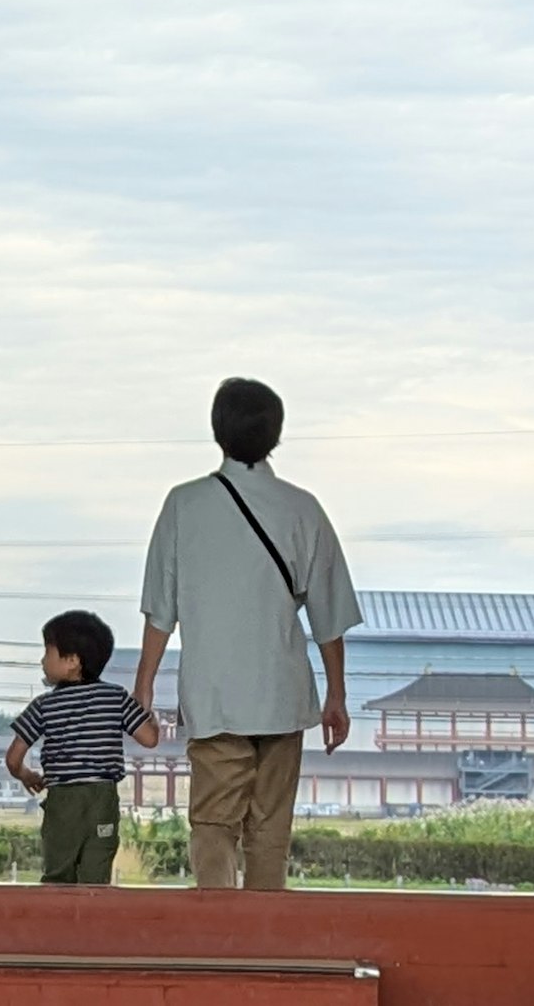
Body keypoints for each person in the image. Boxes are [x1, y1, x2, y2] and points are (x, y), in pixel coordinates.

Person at [130, 376, 360, 890]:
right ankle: (266, 945)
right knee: (270, 830)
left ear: (218, 432)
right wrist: (336, 695)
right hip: (283, 697)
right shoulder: (303, 508)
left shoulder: (182, 506)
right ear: (276, 435)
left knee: (213, 825)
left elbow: (159, 611)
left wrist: (144, 685)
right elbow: (329, 615)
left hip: (215, 700)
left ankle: (218, 946)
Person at [6, 606, 160, 884]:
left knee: (58, 874)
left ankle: (56, 924)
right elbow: (149, 739)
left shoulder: (44, 705)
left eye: (48, 652)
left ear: (72, 661)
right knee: (95, 877)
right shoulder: (115, 697)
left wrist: (26, 775)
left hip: (62, 801)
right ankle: (92, 923)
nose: (42, 661)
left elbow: (14, 757)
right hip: (102, 799)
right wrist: (152, 717)